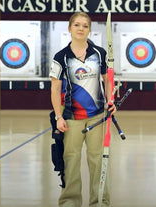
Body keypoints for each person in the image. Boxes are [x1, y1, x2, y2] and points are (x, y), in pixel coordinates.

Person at [49, 12, 116, 207]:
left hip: (97, 116)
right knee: (70, 162)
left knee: (98, 162)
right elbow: (54, 88)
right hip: (70, 117)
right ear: (70, 28)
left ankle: (100, 202)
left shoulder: (100, 53)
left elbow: (107, 79)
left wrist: (110, 100)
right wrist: (59, 117)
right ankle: (70, 202)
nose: (80, 29)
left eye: (85, 26)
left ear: (89, 30)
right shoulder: (60, 57)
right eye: (77, 25)